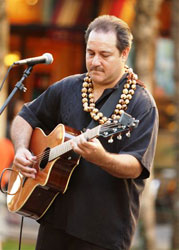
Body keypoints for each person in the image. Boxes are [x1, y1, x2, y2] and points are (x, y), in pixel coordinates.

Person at [10, 15, 158, 250]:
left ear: (124, 53)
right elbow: (25, 117)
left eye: (105, 55)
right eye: (90, 53)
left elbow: (137, 165)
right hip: (54, 218)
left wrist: (102, 158)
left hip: (102, 231)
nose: (95, 62)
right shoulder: (69, 87)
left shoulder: (140, 104)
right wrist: (20, 149)